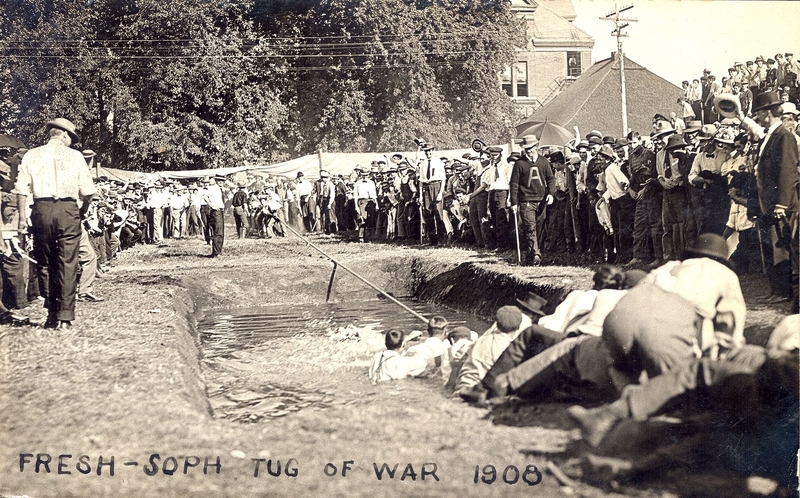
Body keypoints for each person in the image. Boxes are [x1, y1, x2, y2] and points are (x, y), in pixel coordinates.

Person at [15, 118, 96, 329]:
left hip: (41, 210)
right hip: (68, 210)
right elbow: (88, 192)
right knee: (67, 262)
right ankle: (65, 317)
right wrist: (81, 210)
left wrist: (23, 219)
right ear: (64, 135)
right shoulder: (75, 156)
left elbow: (22, 190)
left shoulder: (31, 154)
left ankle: (51, 313)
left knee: (45, 262)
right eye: (71, 138)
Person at [509, 135, 555, 265]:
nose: (528, 150)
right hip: (526, 201)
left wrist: (551, 193)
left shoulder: (544, 162)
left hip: (541, 200)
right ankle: (536, 255)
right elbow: (514, 184)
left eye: (530, 148)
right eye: (526, 148)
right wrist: (514, 202)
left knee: (539, 229)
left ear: (536, 147)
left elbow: (551, 179)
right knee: (530, 227)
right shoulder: (519, 164)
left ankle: (531, 254)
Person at [417, 145, 447, 245]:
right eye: (426, 152)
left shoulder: (439, 162)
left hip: (436, 186)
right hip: (426, 188)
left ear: (433, 151)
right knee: (428, 213)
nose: (428, 154)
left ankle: (441, 240)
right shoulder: (423, 164)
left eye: (429, 151)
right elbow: (421, 181)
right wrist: (421, 196)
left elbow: (443, 179)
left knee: (438, 214)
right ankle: (432, 240)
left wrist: (440, 193)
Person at [202, 176, 226, 257]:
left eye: (222, 181)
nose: (221, 182)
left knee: (219, 232)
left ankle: (217, 251)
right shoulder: (213, 188)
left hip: (219, 211)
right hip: (216, 211)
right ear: (216, 181)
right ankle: (216, 252)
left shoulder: (219, 189)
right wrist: (212, 205)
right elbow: (205, 196)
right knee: (218, 232)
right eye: (219, 181)